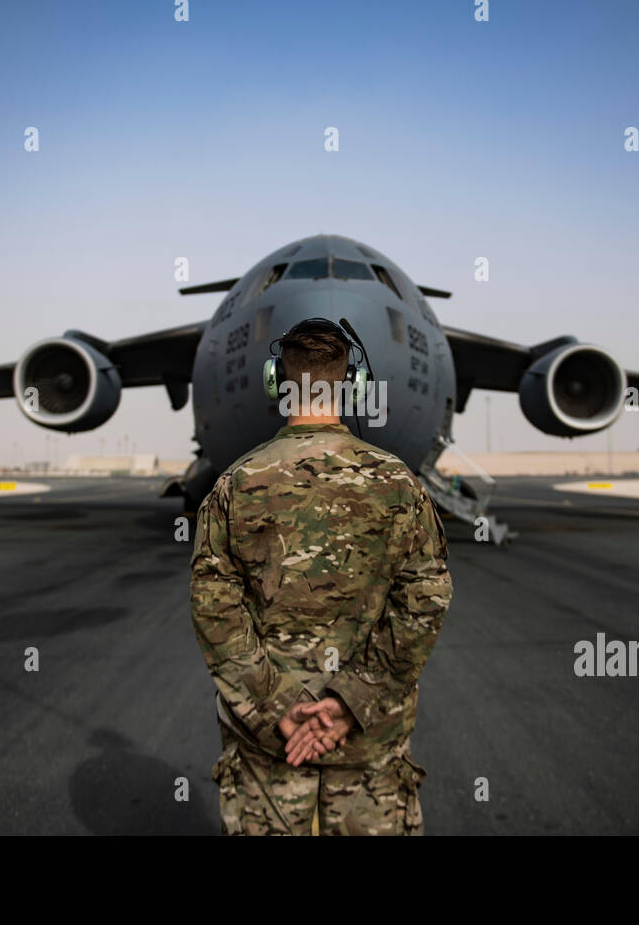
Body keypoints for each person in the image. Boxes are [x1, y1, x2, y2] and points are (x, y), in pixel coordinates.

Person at [189, 318, 453, 835]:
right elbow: (424, 602)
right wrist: (348, 704)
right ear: (353, 385)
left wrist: (280, 708)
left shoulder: (236, 486)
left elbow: (214, 609)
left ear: (276, 382)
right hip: (367, 750)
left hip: (271, 750)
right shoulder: (398, 485)